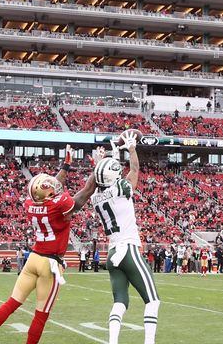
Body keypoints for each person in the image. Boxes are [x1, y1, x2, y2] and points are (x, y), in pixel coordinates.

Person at [0, 145, 98, 344]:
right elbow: (86, 191)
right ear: (48, 194)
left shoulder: (32, 204)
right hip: (49, 264)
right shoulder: (59, 205)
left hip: (33, 258)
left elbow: (53, 188)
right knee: (41, 314)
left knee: (12, 302)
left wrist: (66, 165)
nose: (54, 186)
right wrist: (98, 167)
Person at [90, 131, 160, 344]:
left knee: (120, 302)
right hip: (128, 249)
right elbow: (135, 170)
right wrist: (131, 148)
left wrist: (105, 159)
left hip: (112, 252)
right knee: (153, 301)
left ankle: (113, 342)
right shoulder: (121, 187)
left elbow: (106, 177)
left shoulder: (94, 197)